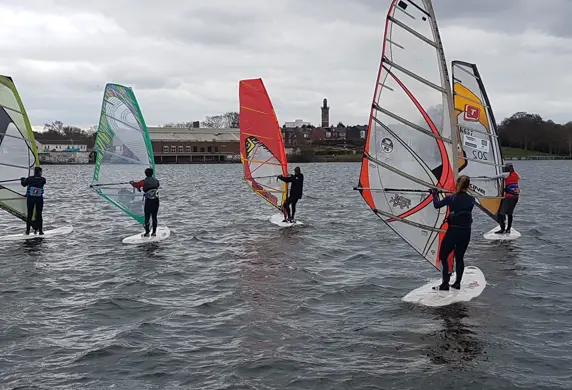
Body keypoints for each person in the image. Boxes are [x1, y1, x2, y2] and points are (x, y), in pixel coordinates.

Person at [429, 175, 475, 291]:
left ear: (457, 184)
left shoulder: (451, 198)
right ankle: (457, 283)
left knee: (443, 256)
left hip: (453, 232)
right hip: (466, 232)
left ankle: (445, 284)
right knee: (460, 257)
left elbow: (436, 205)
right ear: (468, 186)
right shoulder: (472, 199)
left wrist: (435, 194)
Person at [488, 163, 520, 234]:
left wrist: (487, 177)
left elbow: (493, 177)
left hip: (509, 197)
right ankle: (508, 229)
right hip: (516, 197)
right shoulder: (516, 174)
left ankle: (502, 229)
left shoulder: (505, 174)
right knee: (510, 213)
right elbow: (518, 178)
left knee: (502, 213)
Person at [130, 167, 160, 237]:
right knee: (154, 216)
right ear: (152, 174)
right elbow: (156, 186)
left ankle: (147, 233)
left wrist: (132, 183)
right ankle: (154, 233)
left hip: (149, 202)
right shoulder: (157, 181)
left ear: (145, 174)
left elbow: (136, 185)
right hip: (156, 201)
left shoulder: (143, 182)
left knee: (147, 216)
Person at [20, 166, 46, 235]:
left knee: (30, 215)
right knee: (39, 214)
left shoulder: (30, 179)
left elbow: (23, 184)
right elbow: (40, 181)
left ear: (34, 172)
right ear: (40, 172)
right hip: (39, 199)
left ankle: (27, 231)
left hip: (31, 199)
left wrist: (22, 180)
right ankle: (40, 231)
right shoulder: (43, 179)